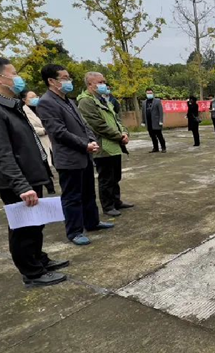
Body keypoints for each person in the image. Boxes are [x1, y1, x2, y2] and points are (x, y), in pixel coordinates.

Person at [0, 56, 69, 286]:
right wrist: (22, 186)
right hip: (16, 181)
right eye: (13, 73)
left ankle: (39, 259)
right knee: (23, 227)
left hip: (30, 174)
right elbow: (0, 153)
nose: (18, 78)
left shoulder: (8, 105)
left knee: (35, 223)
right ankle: (32, 273)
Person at [39, 64, 114, 246]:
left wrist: (91, 140)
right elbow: (58, 132)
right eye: (64, 78)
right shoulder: (46, 102)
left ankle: (92, 222)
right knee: (72, 196)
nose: (68, 81)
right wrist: (84, 144)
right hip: (69, 158)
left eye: (68, 78)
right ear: (51, 81)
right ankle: (74, 231)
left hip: (84, 155)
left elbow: (84, 124)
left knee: (88, 192)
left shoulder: (69, 101)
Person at [77, 72, 133, 218]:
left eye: (104, 82)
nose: (104, 85)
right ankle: (108, 206)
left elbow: (116, 120)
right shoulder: (86, 102)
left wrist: (124, 132)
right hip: (103, 147)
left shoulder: (103, 100)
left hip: (114, 145)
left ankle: (116, 201)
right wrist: (119, 136)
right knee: (106, 178)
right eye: (100, 82)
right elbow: (98, 125)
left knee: (116, 176)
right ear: (90, 84)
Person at [22, 91, 56, 194]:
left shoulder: (42, 108)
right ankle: (50, 188)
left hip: (51, 141)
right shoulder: (23, 111)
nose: (35, 98)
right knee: (44, 166)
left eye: (36, 96)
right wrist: (45, 130)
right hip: (39, 142)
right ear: (24, 100)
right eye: (31, 97)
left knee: (57, 162)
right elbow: (29, 128)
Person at [142, 88, 166, 153]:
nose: (149, 94)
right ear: (146, 94)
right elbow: (143, 112)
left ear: (153, 93)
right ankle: (155, 148)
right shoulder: (144, 102)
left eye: (150, 93)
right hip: (148, 122)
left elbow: (160, 111)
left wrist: (161, 120)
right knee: (152, 136)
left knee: (159, 135)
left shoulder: (157, 101)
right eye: (148, 93)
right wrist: (143, 121)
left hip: (156, 122)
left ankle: (163, 148)